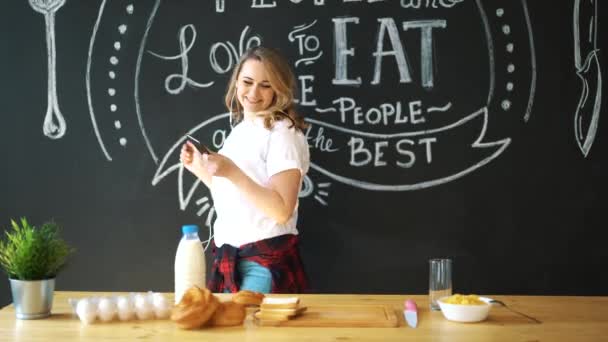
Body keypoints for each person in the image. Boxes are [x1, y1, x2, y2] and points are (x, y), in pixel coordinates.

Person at [179, 46, 309, 294]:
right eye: (247, 82)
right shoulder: (241, 130)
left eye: (265, 85)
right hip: (232, 259)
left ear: (278, 89)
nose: (253, 92)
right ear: (236, 82)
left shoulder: (283, 133)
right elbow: (239, 195)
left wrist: (231, 171)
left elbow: (281, 210)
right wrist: (200, 168)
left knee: (250, 333)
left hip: (263, 262)